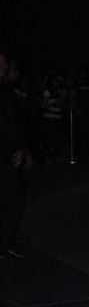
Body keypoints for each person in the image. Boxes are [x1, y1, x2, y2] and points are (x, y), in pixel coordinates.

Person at [0, 49, 30, 259]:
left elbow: (15, 124)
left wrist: (21, 148)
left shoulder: (7, 92)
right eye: (1, 63)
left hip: (10, 156)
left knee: (11, 199)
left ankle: (6, 243)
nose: (5, 67)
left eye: (5, 63)